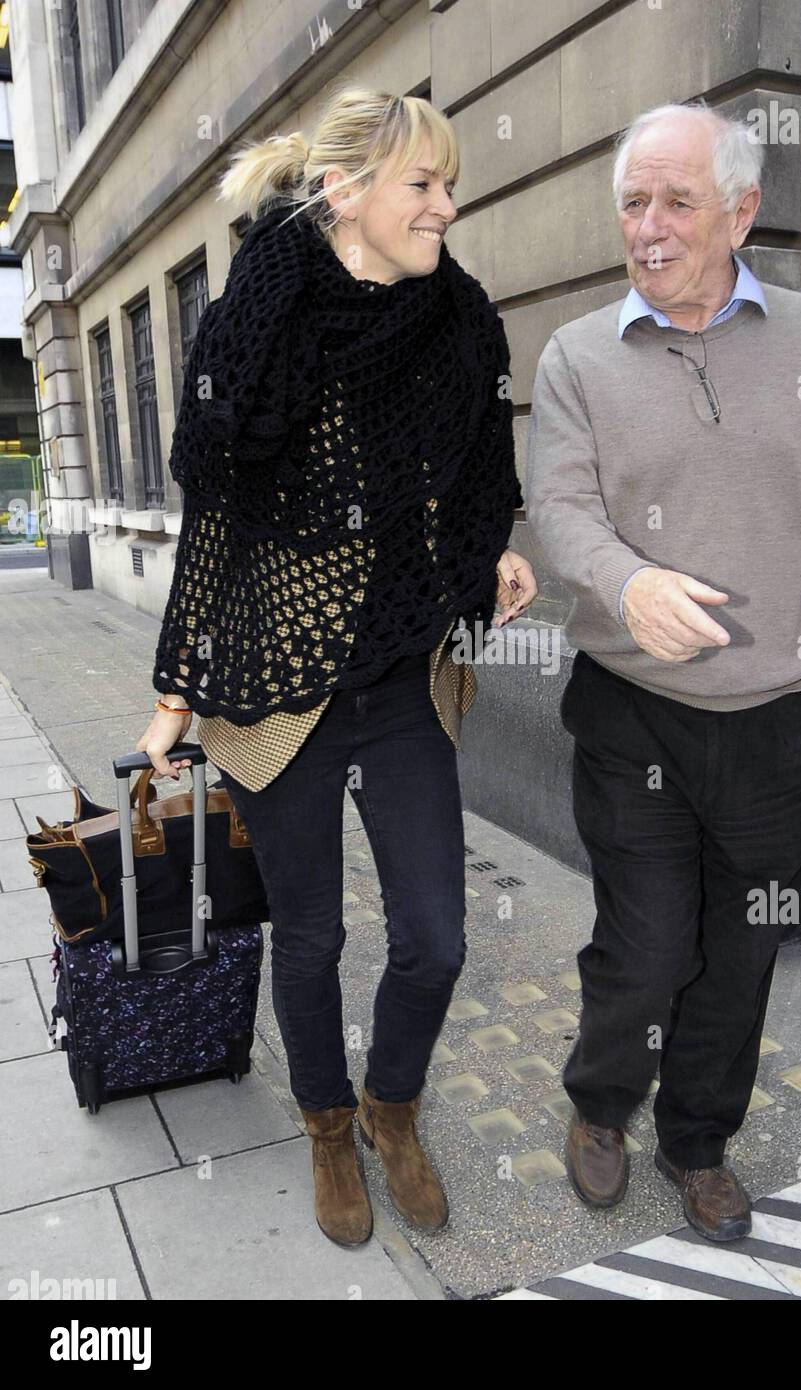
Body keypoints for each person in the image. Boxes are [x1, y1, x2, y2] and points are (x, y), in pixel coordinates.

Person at [525, 100, 801, 1242]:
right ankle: (601, 1104)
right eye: (631, 202)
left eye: (675, 201)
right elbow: (559, 512)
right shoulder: (574, 356)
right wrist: (627, 583)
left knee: (741, 947)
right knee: (650, 943)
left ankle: (698, 1140)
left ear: (741, 212)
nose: (647, 227)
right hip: (631, 715)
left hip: (772, 722)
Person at [136, 86, 537, 1248]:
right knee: (309, 935)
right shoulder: (264, 321)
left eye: (449, 183)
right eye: (424, 183)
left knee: (436, 936)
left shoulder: (456, 317)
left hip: (403, 680)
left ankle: (391, 1105)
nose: (446, 205)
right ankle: (325, 1124)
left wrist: (487, 555)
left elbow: (466, 478)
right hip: (282, 688)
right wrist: (175, 693)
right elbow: (218, 508)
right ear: (346, 192)